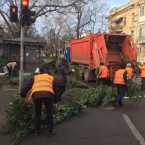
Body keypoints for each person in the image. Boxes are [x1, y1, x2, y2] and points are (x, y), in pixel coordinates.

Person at [20, 67, 58, 137]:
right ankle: (50, 131)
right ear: (47, 73)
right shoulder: (51, 78)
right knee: (49, 113)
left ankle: (36, 131)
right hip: (48, 95)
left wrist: (23, 96)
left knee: (37, 113)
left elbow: (24, 87)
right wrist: (55, 101)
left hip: (36, 95)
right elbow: (56, 90)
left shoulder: (35, 77)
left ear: (40, 73)